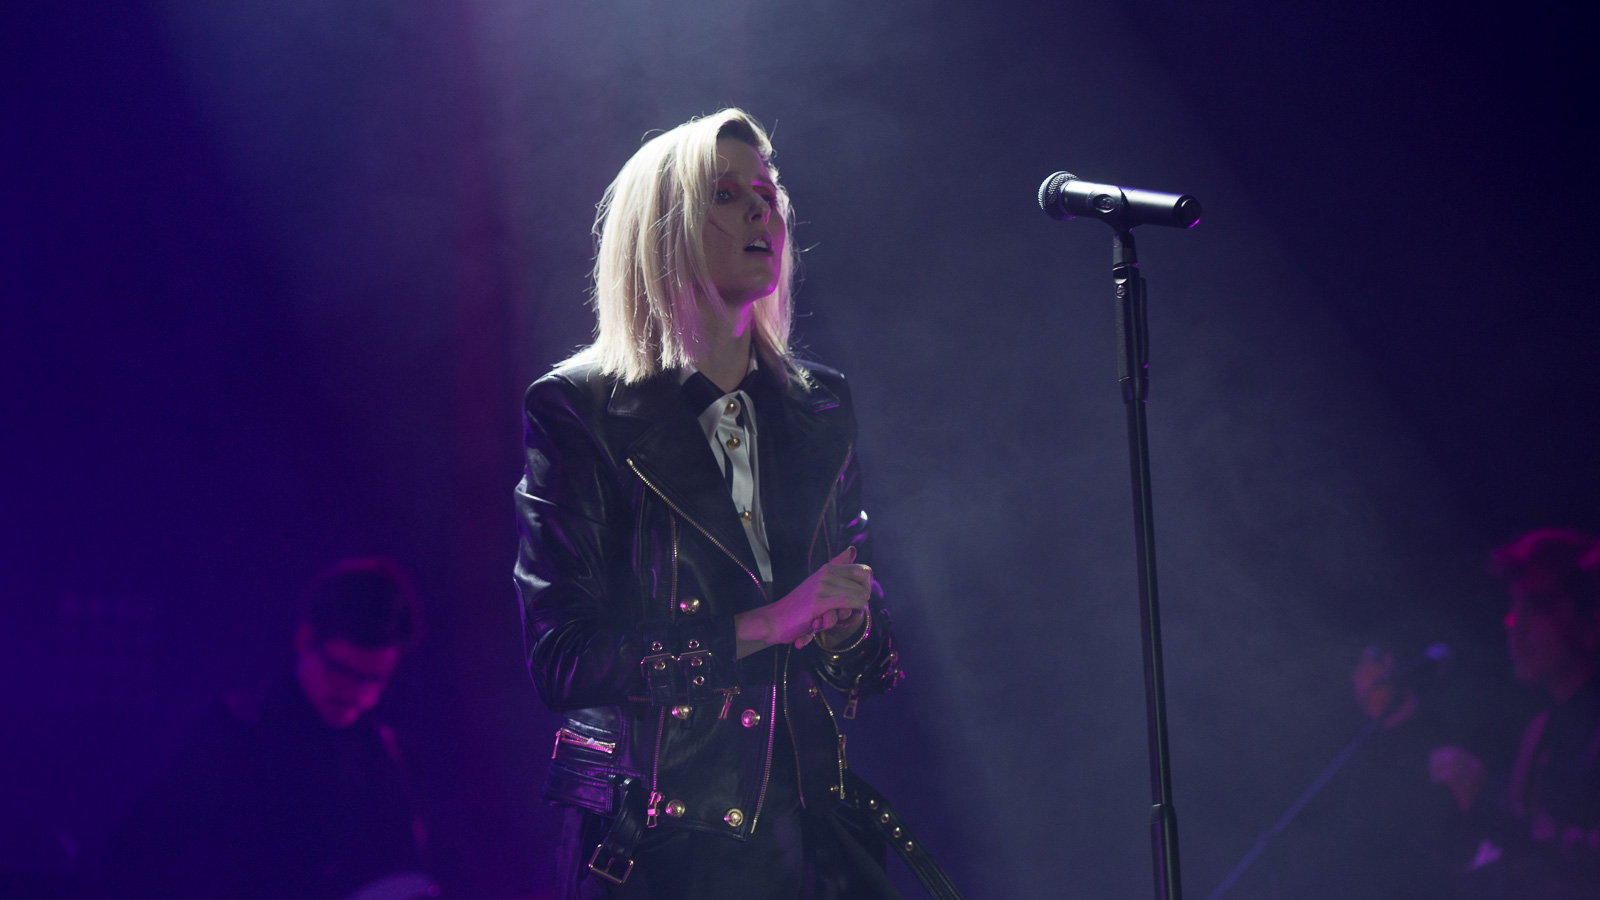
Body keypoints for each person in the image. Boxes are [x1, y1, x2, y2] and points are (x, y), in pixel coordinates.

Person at [513, 109, 903, 899]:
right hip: (657, 847)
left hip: (810, 841)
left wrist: (848, 628)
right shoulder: (579, 408)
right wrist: (769, 623)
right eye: (726, 194)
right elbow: (565, 661)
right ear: (662, 232)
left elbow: (868, 665)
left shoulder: (820, 406)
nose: (762, 209)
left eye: (767, 192)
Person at [98, 558, 434, 900]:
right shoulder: (235, 736)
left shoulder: (389, 759)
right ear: (305, 639)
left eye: (373, 680)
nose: (354, 693)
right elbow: (141, 851)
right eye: (339, 671)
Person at [1430, 528, 1600, 898]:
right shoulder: (1540, 732)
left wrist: (1490, 807)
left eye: (1538, 606)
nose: (1516, 626)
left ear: (1591, 619)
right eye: (1515, 607)